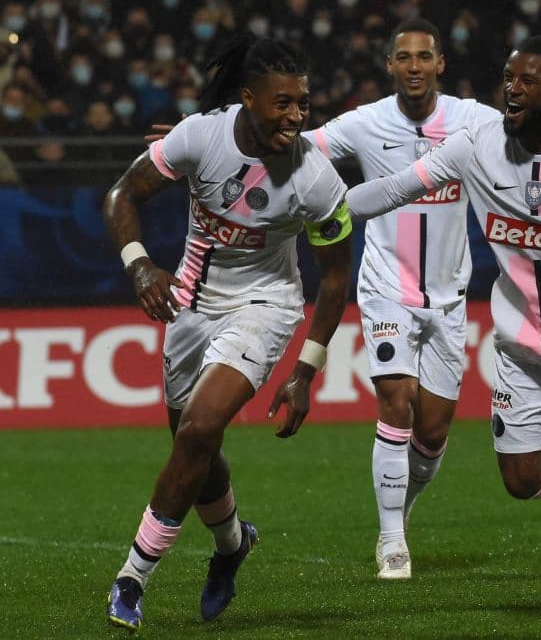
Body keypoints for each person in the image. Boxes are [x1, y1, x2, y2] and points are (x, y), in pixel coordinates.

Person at [303, 18, 541, 581]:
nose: (511, 87)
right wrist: (311, 206)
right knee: (474, 455)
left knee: (468, 441)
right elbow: (389, 186)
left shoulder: (539, 142)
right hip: (472, 324)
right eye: (507, 77)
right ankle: (399, 533)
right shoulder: (463, 140)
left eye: (525, 80)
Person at [102, 36, 354, 631]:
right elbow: (122, 195)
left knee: (201, 427)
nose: (295, 118)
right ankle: (232, 544)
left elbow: (337, 276)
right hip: (189, 305)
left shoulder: (316, 181)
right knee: (195, 447)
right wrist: (140, 264)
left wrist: (305, 372)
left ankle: (132, 578)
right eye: (282, 104)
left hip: (265, 306)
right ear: (248, 98)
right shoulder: (201, 136)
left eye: (304, 105)